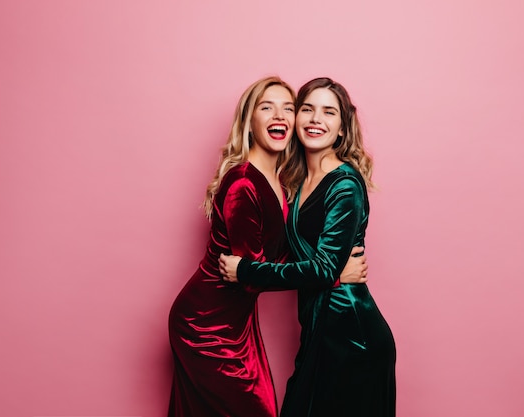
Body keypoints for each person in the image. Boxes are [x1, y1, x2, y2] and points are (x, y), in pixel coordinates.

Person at [168, 76, 368, 417]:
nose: (280, 115)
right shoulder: (244, 184)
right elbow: (249, 275)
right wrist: (333, 275)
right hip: (207, 324)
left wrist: (326, 267)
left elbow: (279, 254)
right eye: (267, 107)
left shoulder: (282, 181)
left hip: (238, 322)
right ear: (250, 121)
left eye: (288, 108)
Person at [219, 77, 396, 417]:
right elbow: (310, 261)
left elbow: (323, 268)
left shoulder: (344, 185)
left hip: (352, 336)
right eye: (308, 109)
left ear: (342, 129)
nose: (316, 119)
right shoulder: (297, 181)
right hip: (318, 330)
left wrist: (244, 270)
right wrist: (328, 271)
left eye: (329, 112)